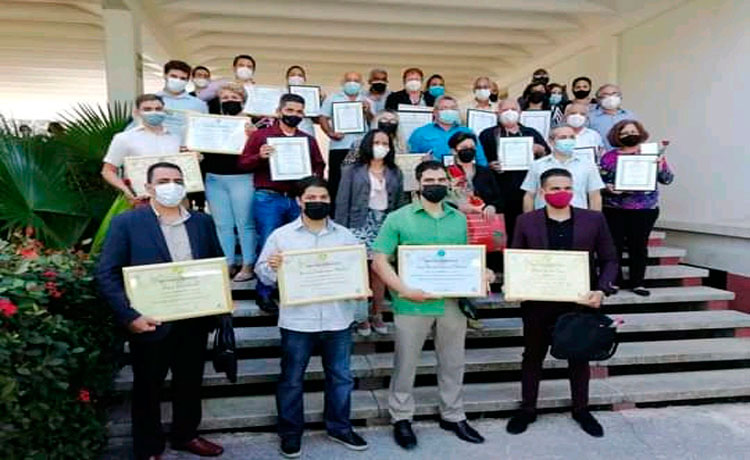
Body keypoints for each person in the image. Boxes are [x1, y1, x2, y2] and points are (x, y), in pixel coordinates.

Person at [96, 162, 225, 459]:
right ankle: (148, 447)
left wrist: (217, 306)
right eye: (164, 180)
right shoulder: (127, 223)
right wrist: (130, 317)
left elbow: (215, 264)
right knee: (148, 388)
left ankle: (186, 435)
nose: (172, 185)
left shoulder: (201, 222)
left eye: (177, 180)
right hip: (150, 322)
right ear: (150, 187)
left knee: (190, 383)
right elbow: (107, 273)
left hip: (194, 320)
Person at [372, 161, 487, 450]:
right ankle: (401, 417)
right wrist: (404, 290)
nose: (434, 183)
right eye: (428, 179)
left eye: (440, 179)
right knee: (406, 363)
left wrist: (481, 273)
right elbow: (379, 260)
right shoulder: (399, 218)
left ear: (448, 182)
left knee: (453, 361)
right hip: (412, 303)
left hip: (450, 303)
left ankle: (453, 414)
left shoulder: (458, 218)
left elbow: (463, 259)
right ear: (418, 183)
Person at [255, 176, 369, 458]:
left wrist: (358, 296)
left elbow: (356, 272)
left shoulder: (345, 236)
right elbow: (263, 273)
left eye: (323, 198)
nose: (317, 203)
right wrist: (273, 266)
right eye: (311, 199)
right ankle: (291, 433)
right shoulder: (282, 236)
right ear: (299, 201)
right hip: (297, 320)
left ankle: (340, 427)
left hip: (338, 318)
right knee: (292, 378)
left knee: (341, 376)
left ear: (330, 201)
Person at [505, 168, 618, 438]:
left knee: (579, 355)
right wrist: (516, 285)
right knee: (532, 355)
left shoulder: (594, 219)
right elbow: (516, 258)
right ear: (543, 192)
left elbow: (610, 259)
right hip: (538, 302)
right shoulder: (526, 221)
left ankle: (581, 409)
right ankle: (528, 409)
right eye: (555, 188)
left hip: (581, 301)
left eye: (567, 187)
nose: (561, 193)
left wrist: (602, 290)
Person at [238, 93, 326, 314]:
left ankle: (292, 288)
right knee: (268, 242)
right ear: (279, 111)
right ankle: (264, 292)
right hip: (268, 197)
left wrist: (311, 184)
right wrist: (259, 156)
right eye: (290, 111)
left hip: (297, 199)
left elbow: (319, 165)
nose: (294, 115)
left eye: (299, 112)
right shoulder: (261, 136)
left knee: (298, 244)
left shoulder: (308, 139)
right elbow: (243, 163)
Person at [335, 129, 407, 337]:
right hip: (358, 223)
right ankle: (361, 317)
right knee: (361, 271)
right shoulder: (352, 170)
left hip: (385, 223)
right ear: (368, 144)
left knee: (380, 270)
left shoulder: (395, 171)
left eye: (385, 143)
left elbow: (401, 201)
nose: (381, 146)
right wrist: (341, 231)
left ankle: (377, 313)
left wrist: (400, 229)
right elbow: (342, 200)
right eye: (377, 142)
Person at [600, 120, 674, 296]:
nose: (629, 135)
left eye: (632, 131)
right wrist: (608, 188)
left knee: (638, 246)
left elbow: (667, 179)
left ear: (640, 132)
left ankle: (638, 282)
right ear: (616, 136)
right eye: (624, 133)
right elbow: (600, 180)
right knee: (614, 246)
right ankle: (614, 281)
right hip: (614, 208)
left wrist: (661, 163)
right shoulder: (609, 157)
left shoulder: (651, 153)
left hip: (644, 208)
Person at [202, 83, 257, 282]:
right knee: (222, 224)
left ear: (242, 100)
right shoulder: (211, 122)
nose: (229, 101)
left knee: (245, 224)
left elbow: (258, 153)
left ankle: (248, 264)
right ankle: (228, 263)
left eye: (234, 98)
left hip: (241, 178)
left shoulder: (252, 124)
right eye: (225, 98)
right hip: (214, 178)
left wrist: (252, 138)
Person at [478, 99, 550, 241]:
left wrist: (541, 150)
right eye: (505, 110)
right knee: (501, 233)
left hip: (527, 191)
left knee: (526, 228)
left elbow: (547, 159)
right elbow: (480, 162)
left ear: (520, 112)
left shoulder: (531, 132)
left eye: (513, 109)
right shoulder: (488, 134)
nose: (509, 113)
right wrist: (490, 165)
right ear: (497, 113)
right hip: (499, 190)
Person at [101, 94, 181, 204]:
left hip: (175, 199)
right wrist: (126, 190)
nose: (154, 112)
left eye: (158, 109)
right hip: (142, 199)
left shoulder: (175, 138)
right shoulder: (124, 138)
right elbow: (108, 171)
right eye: (147, 109)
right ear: (138, 112)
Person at [521, 125, 604, 212]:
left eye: (572, 137)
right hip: (544, 219)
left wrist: (594, 221)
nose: (568, 140)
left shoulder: (588, 165)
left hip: (579, 218)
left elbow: (594, 195)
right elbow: (529, 195)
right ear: (551, 141)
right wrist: (529, 221)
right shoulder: (537, 165)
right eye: (563, 137)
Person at [320, 71, 372, 207]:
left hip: (361, 146)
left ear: (361, 84)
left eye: (356, 80)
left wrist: (368, 111)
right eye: (349, 80)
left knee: (360, 181)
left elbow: (374, 122)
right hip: (339, 146)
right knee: (336, 181)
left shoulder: (367, 100)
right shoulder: (332, 98)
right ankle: (335, 213)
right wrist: (330, 133)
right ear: (343, 83)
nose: (352, 83)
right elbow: (322, 117)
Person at [408, 95, 488, 166]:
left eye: (453, 108)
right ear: (435, 112)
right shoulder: (420, 133)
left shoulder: (468, 132)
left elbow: (481, 160)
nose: (449, 111)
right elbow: (411, 160)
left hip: (464, 177)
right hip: (434, 177)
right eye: (444, 108)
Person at [156, 60, 209, 142]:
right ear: (165, 76)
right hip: (157, 152)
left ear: (187, 81)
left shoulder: (199, 105)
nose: (178, 80)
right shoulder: (151, 101)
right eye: (173, 76)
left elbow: (206, 132)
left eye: (183, 78)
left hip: (186, 153)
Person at [589, 84, 637, 150]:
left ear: (620, 97)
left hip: (625, 157)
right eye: (605, 95)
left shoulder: (629, 115)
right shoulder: (590, 117)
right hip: (601, 158)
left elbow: (637, 137)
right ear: (598, 99)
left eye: (614, 94)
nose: (611, 97)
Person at [284, 65, 316, 136]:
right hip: (285, 132)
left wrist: (321, 99)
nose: (296, 77)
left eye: (300, 75)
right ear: (287, 78)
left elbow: (317, 119)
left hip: (306, 130)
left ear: (304, 79)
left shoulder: (311, 95)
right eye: (292, 75)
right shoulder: (281, 94)